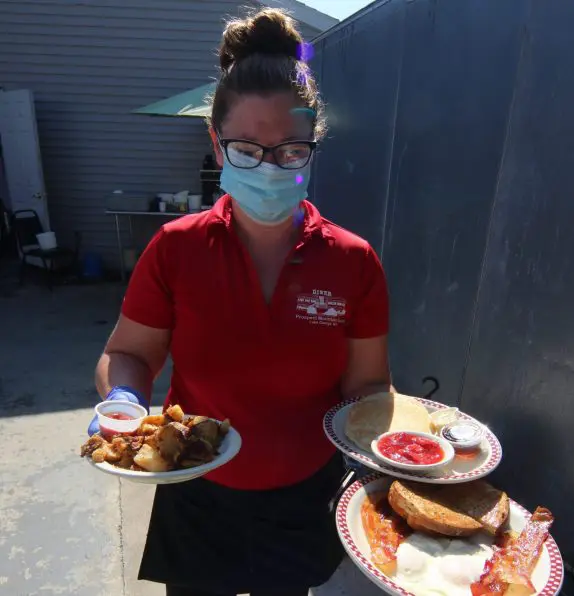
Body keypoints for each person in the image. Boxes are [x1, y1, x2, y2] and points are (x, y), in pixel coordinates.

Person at [90, 8, 393, 596]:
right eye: (248, 149)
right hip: (196, 488)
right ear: (216, 141)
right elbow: (128, 352)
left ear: (314, 145)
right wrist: (125, 396)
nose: (271, 167)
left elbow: (368, 389)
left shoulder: (353, 260)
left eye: (290, 151)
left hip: (305, 494)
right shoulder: (177, 247)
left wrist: (407, 448)